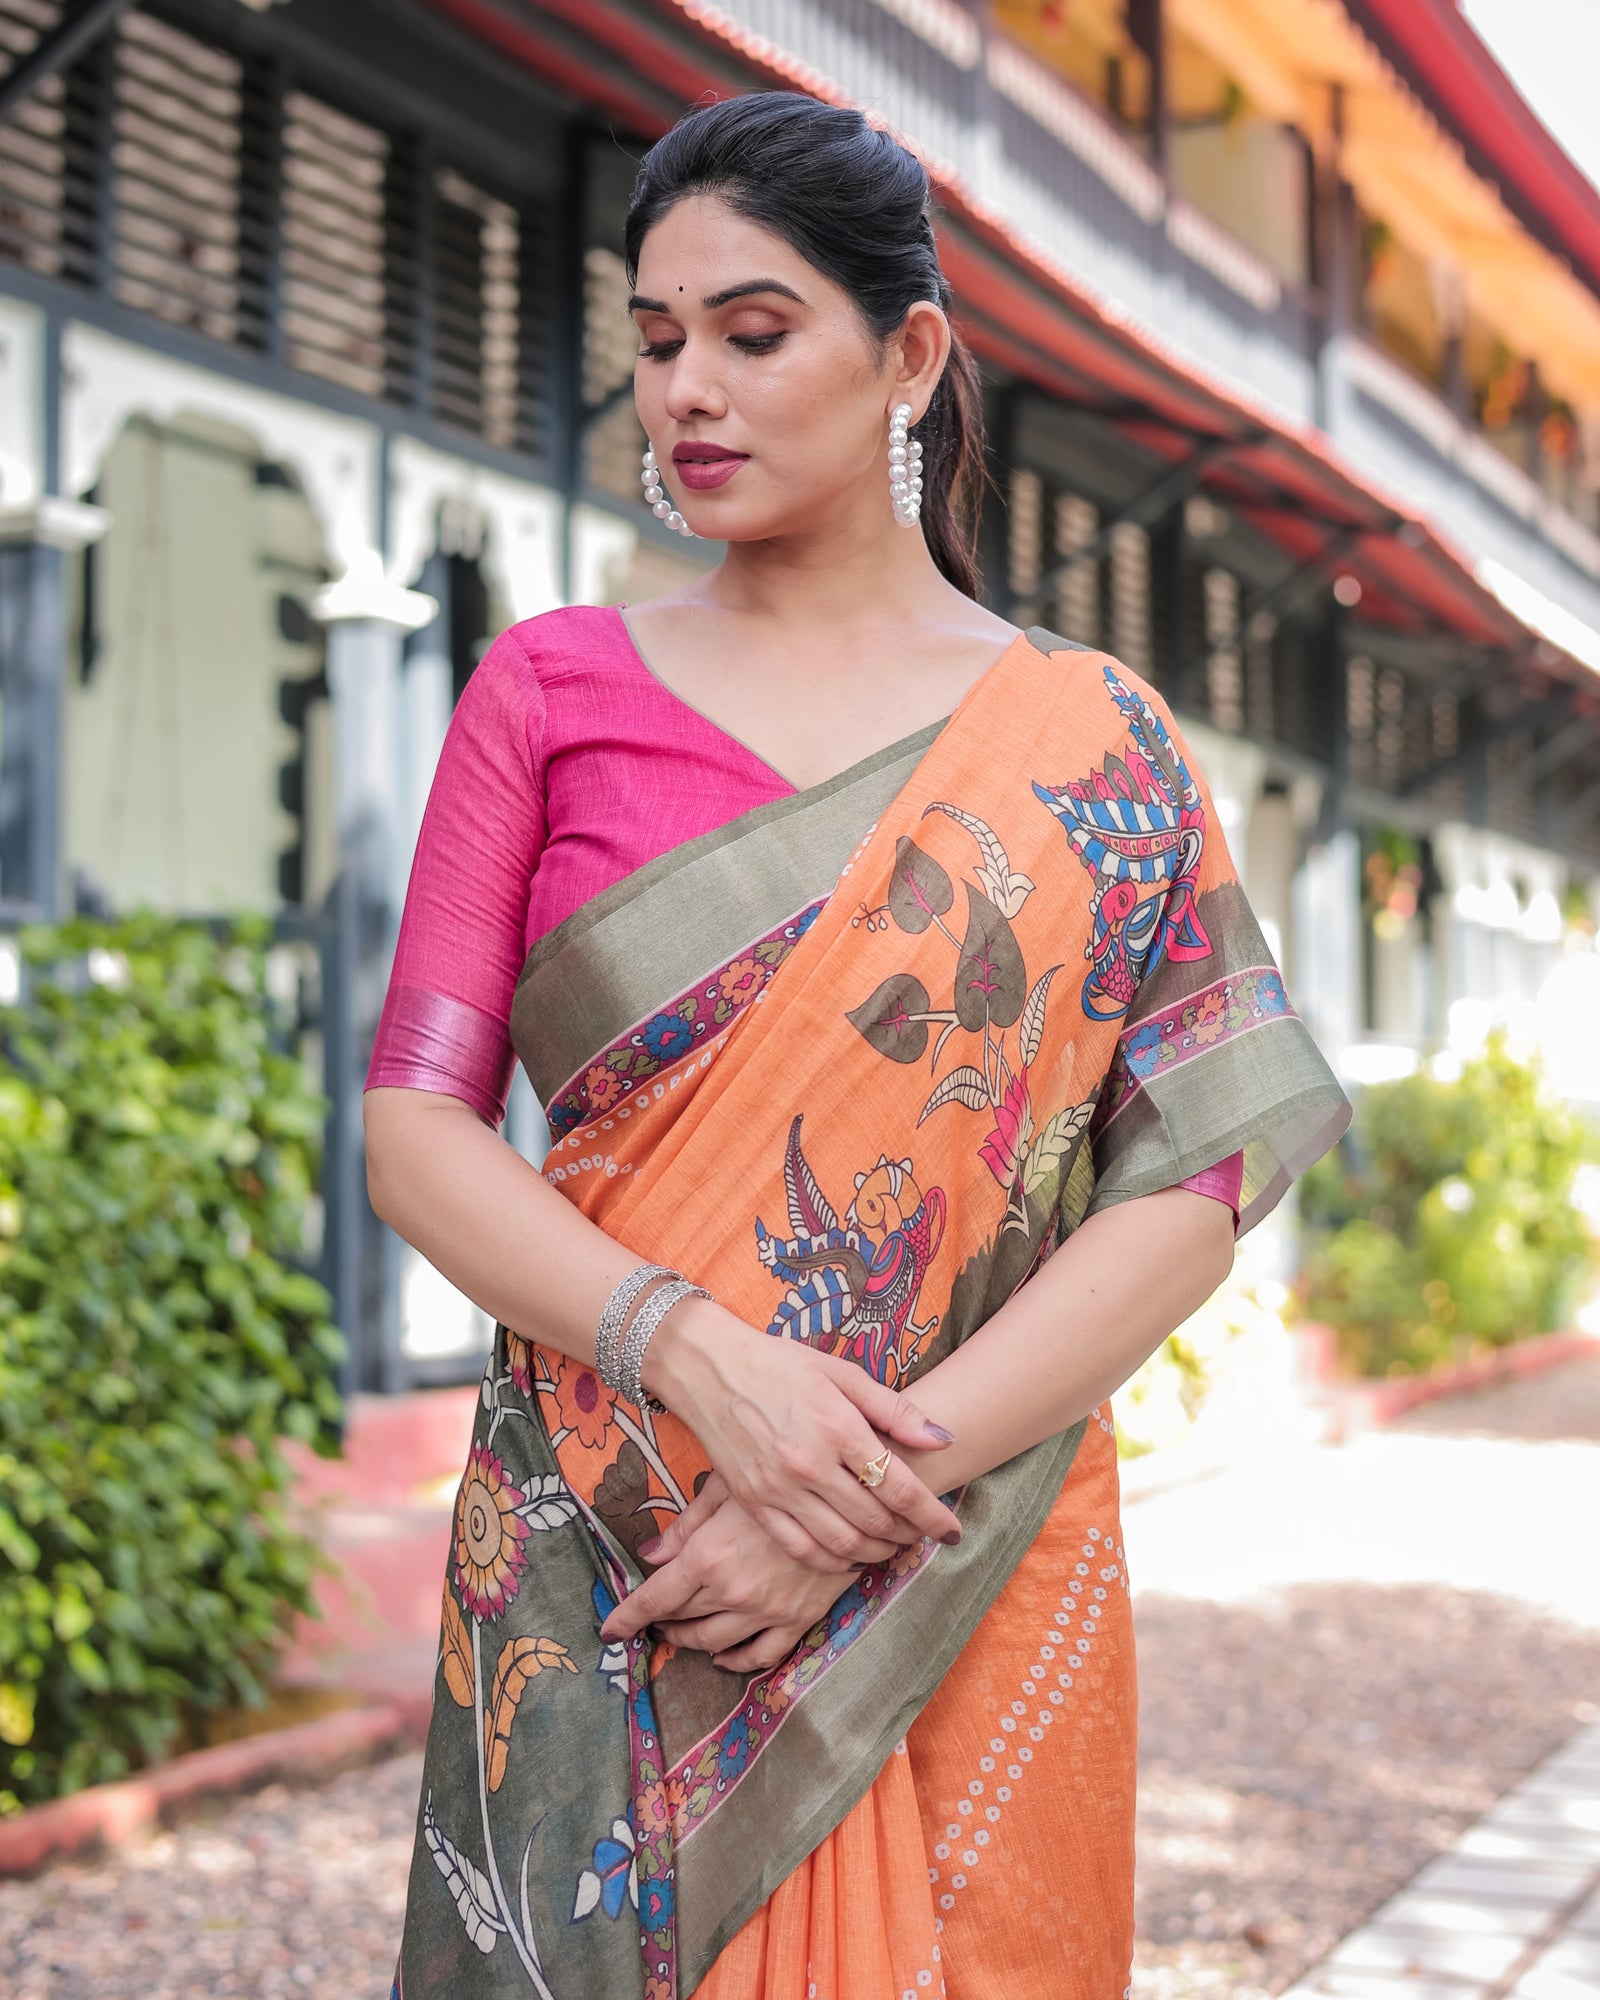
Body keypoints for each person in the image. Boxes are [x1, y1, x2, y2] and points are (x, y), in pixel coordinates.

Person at [367, 91, 1348, 2000]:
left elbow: (1202, 1170)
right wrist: (712, 1368)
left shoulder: (1096, 747)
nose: (688, 394)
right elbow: (418, 1127)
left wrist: (858, 1499)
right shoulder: (549, 689)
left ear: (907, 355)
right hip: (613, 1542)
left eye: (752, 332)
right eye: (656, 343)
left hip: (958, 1552)